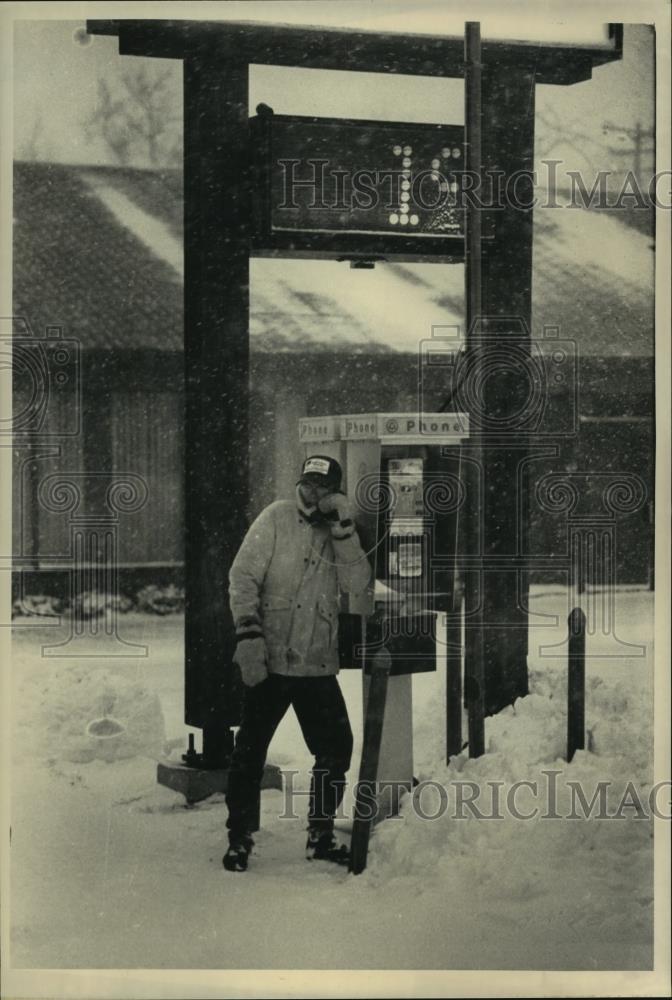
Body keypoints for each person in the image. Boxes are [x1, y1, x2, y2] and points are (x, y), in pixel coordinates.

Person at [223, 455, 371, 872]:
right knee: (249, 751)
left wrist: (343, 528)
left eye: (322, 487)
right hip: (271, 660)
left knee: (336, 749)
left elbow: (358, 585)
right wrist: (248, 634)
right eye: (308, 484)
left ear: (335, 491)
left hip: (316, 664)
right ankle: (239, 837)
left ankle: (320, 834)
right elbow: (242, 576)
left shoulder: (339, 532)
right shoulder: (275, 519)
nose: (312, 493)